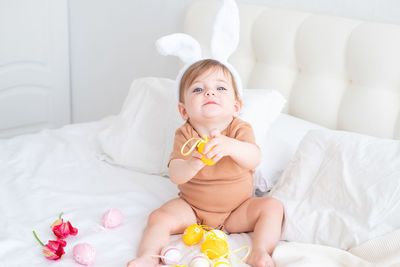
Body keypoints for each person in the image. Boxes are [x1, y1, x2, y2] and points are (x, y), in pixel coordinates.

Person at [127, 59, 284, 267]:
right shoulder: (185, 133)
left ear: (236, 106)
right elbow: (175, 174)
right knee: (159, 217)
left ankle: (260, 252)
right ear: (184, 111)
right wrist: (192, 164)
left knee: (272, 207)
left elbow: (254, 157)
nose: (210, 93)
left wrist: (231, 146)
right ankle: (148, 257)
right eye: (198, 89)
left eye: (220, 87)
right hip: (192, 209)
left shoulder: (239, 129)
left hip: (237, 210)